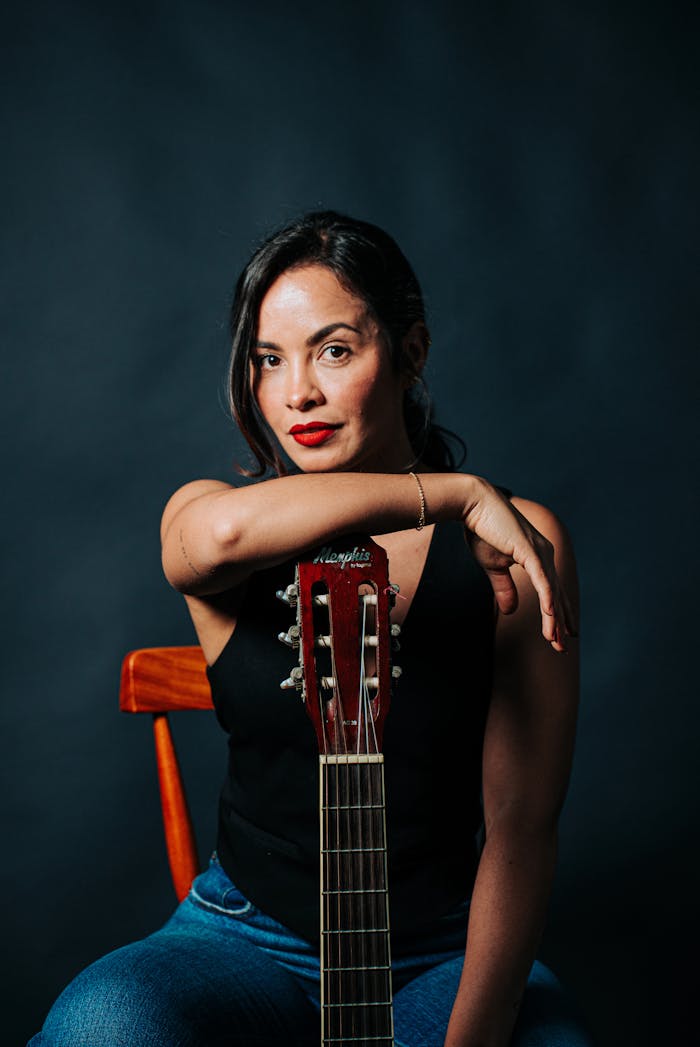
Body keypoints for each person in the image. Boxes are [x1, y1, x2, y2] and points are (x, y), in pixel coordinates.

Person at [31, 212, 593, 1046]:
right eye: (269, 360)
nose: (298, 393)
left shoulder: (518, 547)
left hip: (440, 947)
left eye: (333, 349)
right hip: (241, 933)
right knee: (100, 1024)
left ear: (411, 352)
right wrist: (453, 493)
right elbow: (217, 540)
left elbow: (520, 824)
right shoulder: (214, 512)